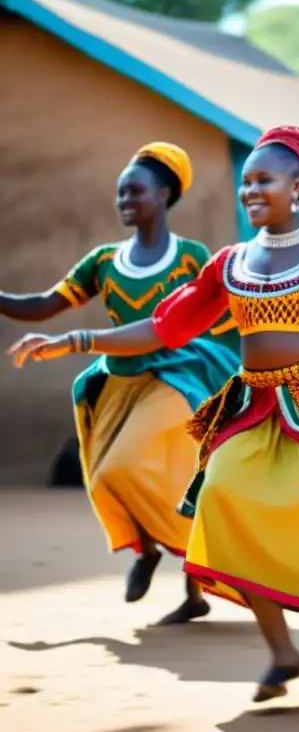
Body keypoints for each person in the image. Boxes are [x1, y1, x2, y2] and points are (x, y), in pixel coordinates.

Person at [8, 126, 299, 702]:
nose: (250, 189)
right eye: (245, 181)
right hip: (252, 403)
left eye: (264, 180)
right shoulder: (227, 264)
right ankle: (282, 650)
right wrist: (76, 341)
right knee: (220, 498)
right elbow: (163, 327)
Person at [0, 142, 240, 625]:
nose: (124, 198)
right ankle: (167, 568)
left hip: (181, 375)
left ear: (164, 192)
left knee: (125, 469)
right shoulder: (104, 262)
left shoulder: (192, 258)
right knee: (117, 477)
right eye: (119, 192)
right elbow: (44, 305)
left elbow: (229, 312)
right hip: (120, 380)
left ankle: (202, 563)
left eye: (135, 189)